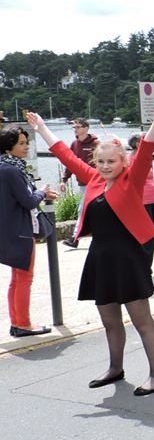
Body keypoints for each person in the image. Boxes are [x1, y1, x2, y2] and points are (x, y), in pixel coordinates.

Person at [29, 102, 154, 396]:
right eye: (102, 162)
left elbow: (145, 151)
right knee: (109, 320)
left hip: (129, 258)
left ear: (123, 162)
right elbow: (65, 155)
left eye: (112, 162)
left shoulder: (132, 180)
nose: (106, 166)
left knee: (141, 321)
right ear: (96, 163)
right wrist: (42, 128)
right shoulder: (94, 179)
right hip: (100, 257)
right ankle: (115, 368)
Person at [0, 126, 57, 337]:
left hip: (8, 230)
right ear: (9, 146)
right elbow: (27, 201)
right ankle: (23, 324)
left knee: (17, 278)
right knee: (24, 278)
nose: (26, 147)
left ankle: (17, 323)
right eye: (21, 143)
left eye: (27, 142)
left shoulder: (4, 167)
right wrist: (42, 193)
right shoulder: (13, 170)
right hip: (20, 230)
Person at [127, 134, 154, 288]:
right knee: (145, 238)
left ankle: (146, 271)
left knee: (153, 237)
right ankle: (142, 273)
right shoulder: (131, 159)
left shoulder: (147, 155)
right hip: (142, 202)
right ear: (136, 143)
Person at [60, 118, 98, 248]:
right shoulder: (74, 145)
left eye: (78, 127)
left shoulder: (96, 143)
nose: (75, 129)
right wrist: (64, 180)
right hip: (82, 183)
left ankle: (74, 238)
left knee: (82, 208)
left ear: (86, 128)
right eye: (74, 127)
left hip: (96, 181)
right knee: (90, 209)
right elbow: (71, 164)